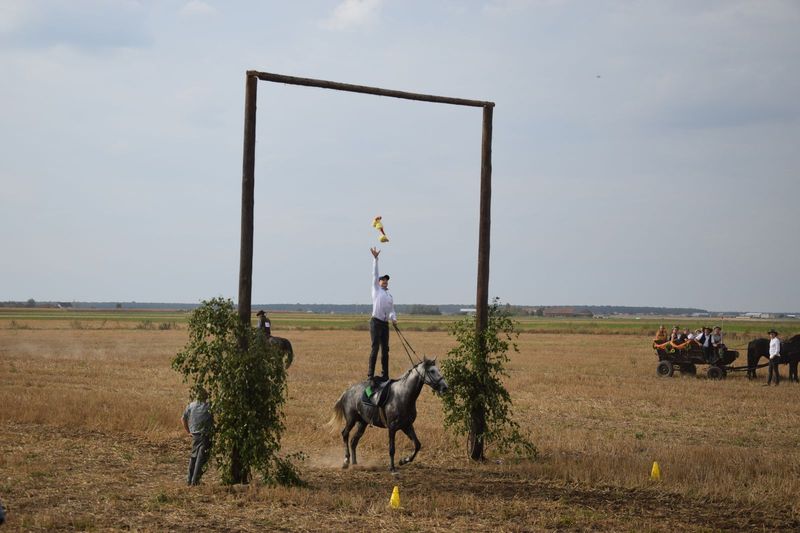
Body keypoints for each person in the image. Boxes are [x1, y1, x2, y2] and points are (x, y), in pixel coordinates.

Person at [368, 247, 396, 384]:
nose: (385, 281)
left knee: (385, 350)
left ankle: (385, 375)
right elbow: (375, 273)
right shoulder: (376, 290)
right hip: (376, 322)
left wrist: (394, 318)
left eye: (386, 280)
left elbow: (391, 310)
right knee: (375, 348)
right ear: (378, 282)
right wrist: (375, 259)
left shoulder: (389, 295)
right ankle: (370, 375)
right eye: (383, 280)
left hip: (385, 324)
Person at [182, 387, 213, 485]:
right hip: (205, 435)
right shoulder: (209, 406)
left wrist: (188, 432)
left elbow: (183, 419)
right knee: (201, 458)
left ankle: (189, 480)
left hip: (195, 434)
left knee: (194, 457)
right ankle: (195, 481)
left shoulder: (191, 405)